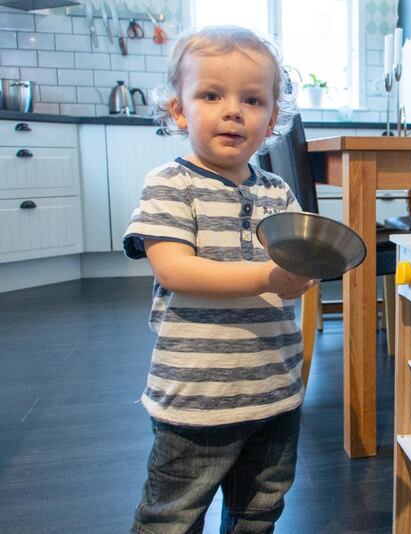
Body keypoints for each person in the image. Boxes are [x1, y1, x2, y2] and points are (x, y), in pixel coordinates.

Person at [123, 25, 315, 534]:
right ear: (179, 110)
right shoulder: (170, 183)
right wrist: (269, 277)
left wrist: (306, 271)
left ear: (272, 119)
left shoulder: (278, 193)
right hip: (196, 397)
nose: (234, 111)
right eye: (211, 95)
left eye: (252, 100)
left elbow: (299, 260)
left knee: (259, 512)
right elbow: (175, 270)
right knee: (173, 515)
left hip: (275, 391)